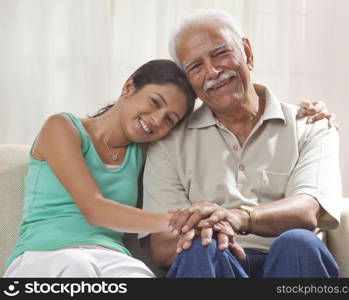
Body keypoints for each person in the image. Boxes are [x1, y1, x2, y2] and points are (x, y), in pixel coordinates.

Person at [142, 9, 342, 278]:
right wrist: (210, 232)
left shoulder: (312, 126)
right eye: (196, 66)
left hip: (288, 264)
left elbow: (308, 210)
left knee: (299, 243)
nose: (213, 71)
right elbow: (163, 248)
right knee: (201, 249)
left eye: (220, 53)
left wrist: (237, 217)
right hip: (215, 264)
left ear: (247, 52)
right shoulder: (169, 143)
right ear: (189, 81)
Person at [3, 59, 203, 277]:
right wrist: (176, 220)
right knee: (77, 267)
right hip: (44, 255)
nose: (157, 120)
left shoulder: (145, 153)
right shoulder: (62, 127)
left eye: (169, 119)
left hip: (111, 258)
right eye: (155, 102)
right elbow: (95, 209)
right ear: (128, 87)